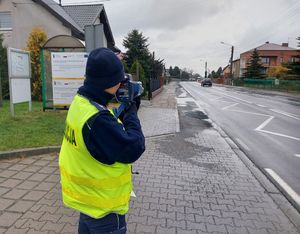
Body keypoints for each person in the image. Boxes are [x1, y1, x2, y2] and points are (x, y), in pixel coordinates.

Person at [59, 47, 145, 234]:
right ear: (108, 82)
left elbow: (106, 125)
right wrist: (131, 114)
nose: (121, 85)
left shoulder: (81, 103)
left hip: (87, 204)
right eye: (120, 81)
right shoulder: (97, 120)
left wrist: (122, 110)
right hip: (105, 210)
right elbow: (133, 147)